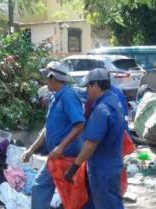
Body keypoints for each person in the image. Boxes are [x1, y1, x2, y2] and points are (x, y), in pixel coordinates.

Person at [21, 61, 85, 209]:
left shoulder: (68, 96)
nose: (45, 81)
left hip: (67, 156)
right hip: (56, 155)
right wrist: (31, 150)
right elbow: (47, 129)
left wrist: (61, 147)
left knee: (71, 195)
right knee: (40, 187)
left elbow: (80, 124)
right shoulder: (55, 97)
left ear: (53, 78)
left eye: (47, 78)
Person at [64, 68, 125, 209]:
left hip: (102, 168)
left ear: (96, 85)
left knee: (107, 204)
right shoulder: (114, 100)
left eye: (88, 86)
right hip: (111, 163)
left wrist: (74, 167)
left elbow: (91, 144)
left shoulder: (101, 110)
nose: (86, 90)